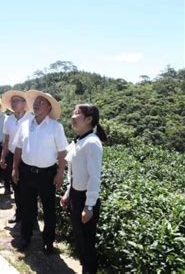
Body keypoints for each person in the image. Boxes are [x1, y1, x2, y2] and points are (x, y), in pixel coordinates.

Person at [12, 90, 68, 253]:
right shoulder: (25, 125)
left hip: (47, 174)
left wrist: (60, 173)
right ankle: (25, 237)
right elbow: (18, 148)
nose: (36, 104)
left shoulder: (56, 127)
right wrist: (15, 168)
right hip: (26, 172)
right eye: (36, 101)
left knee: (49, 209)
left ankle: (48, 241)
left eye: (41, 102)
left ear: (49, 107)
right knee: (27, 207)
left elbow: (62, 153)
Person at [60, 104, 107, 274]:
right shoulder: (79, 140)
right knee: (80, 240)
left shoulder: (92, 143)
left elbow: (94, 177)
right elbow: (75, 174)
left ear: (88, 120)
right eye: (73, 112)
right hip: (75, 196)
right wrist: (67, 194)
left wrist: (89, 206)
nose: (73, 116)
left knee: (87, 243)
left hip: (85, 200)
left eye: (78, 113)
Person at [0, 90, 33, 223]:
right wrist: (3, 157)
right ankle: (19, 212)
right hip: (12, 156)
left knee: (28, 188)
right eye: (12, 101)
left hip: (27, 158)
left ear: (24, 104)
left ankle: (31, 215)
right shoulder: (8, 119)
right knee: (16, 186)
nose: (14, 104)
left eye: (17, 101)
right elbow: (6, 140)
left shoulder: (31, 118)